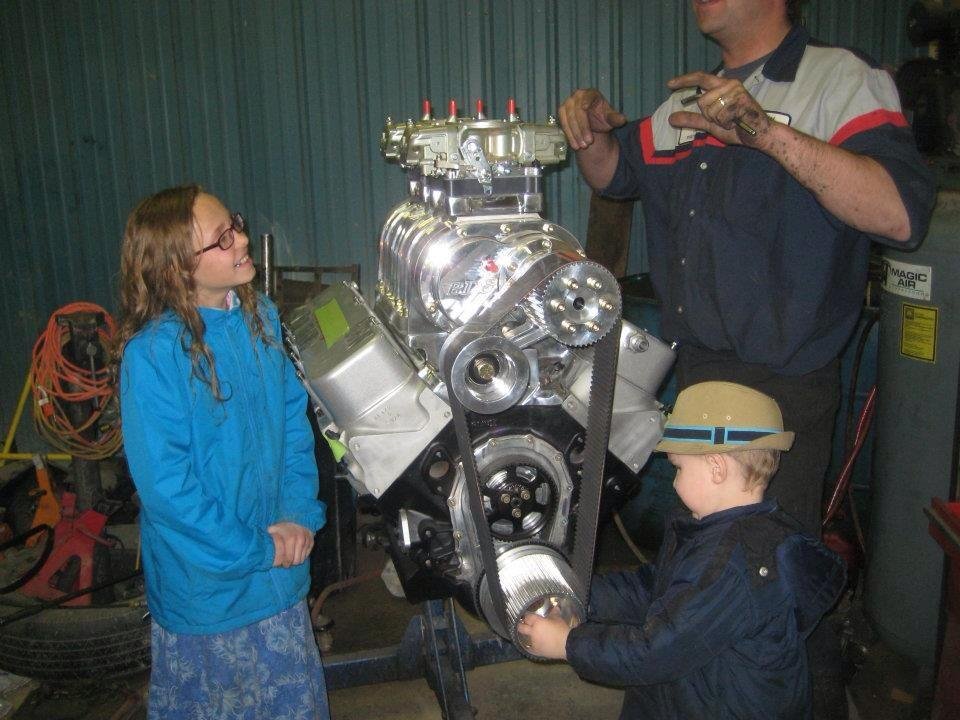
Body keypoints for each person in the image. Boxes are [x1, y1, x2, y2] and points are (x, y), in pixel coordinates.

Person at [115, 185, 330, 719]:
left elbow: (293, 426)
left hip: (280, 575)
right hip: (210, 594)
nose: (241, 240)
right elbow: (168, 491)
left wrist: (298, 515)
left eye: (233, 224)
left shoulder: (262, 319)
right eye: (222, 238)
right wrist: (256, 549)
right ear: (177, 268)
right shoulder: (153, 356)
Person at [518, 381, 846, 719]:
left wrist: (568, 644)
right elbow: (655, 588)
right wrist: (578, 593)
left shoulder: (733, 565)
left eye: (679, 468)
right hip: (687, 695)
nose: (674, 482)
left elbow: (655, 653)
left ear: (717, 468)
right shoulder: (711, 532)